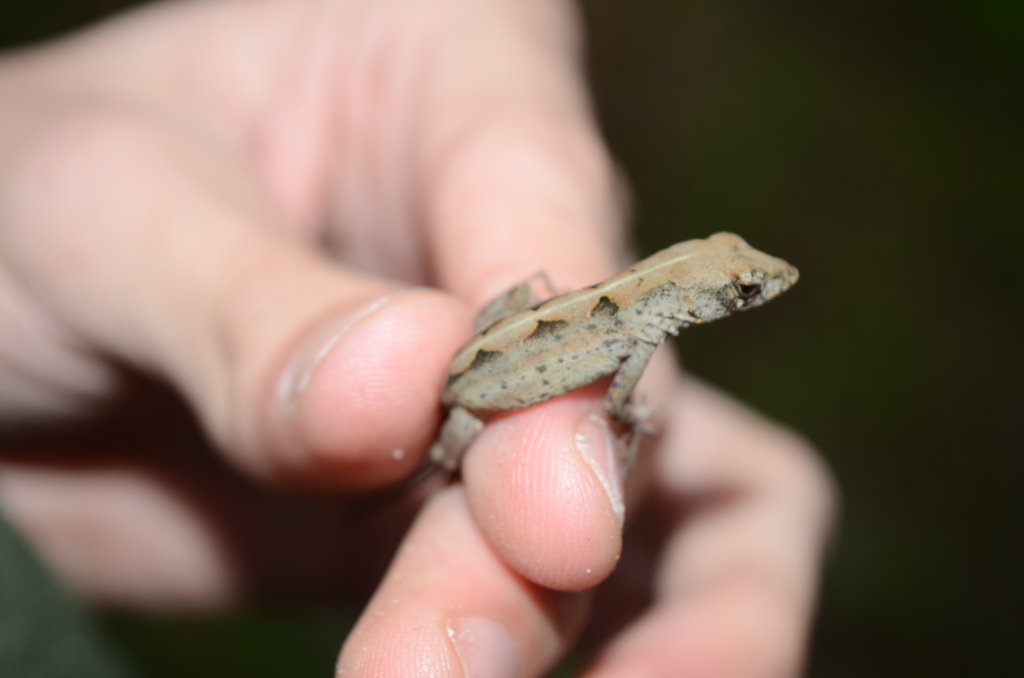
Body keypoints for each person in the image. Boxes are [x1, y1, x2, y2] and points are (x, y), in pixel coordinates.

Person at [0, 0, 836, 675]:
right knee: (469, 477)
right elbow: (619, 402)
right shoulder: (638, 335)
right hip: (468, 398)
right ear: (692, 294)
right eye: (744, 288)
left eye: (743, 287)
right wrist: (633, 422)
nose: (758, 288)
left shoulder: (644, 310)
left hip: (487, 358)